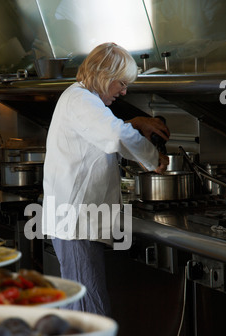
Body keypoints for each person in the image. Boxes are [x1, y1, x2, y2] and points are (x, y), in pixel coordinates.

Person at [42, 43, 169, 316]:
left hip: (75, 221)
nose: (124, 91)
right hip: (74, 223)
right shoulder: (81, 99)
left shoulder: (82, 98)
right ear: (103, 75)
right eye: (122, 83)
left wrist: (135, 122)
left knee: (85, 308)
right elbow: (114, 136)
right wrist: (153, 156)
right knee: (90, 313)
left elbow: (107, 130)